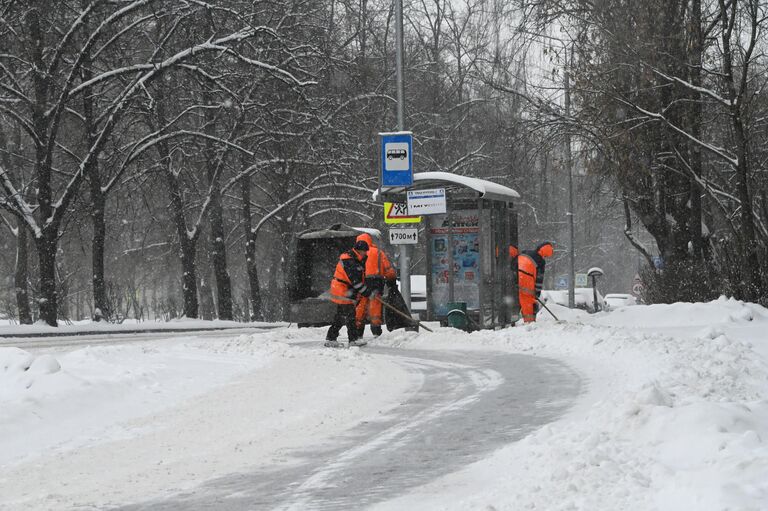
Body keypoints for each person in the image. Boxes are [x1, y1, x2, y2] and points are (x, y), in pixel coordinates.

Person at [326, 239, 372, 347]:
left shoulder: (353, 259)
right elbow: (355, 281)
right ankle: (353, 339)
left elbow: (358, 280)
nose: (366, 253)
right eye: (365, 251)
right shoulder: (350, 261)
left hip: (343, 289)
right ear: (360, 250)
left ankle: (331, 338)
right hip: (342, 290)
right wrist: (366, 292)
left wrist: (364, 291)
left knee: (341, 316)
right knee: (351, 315)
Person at [354, 233, 397, 337]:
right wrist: (391, 280)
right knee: (375, 306)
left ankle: (358, 330)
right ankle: (376, 330)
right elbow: (388, 269)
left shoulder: (356, 253)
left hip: (361, 283)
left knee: (361, 307)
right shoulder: (378, 253)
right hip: (376, 283)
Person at [515, 242, 554, 323]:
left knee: (514, 298)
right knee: (528, 300)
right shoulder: (540, 261)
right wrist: (537, 293)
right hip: (526, 279)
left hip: (515, 273)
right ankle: (530, 322)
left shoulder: (526, 252)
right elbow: (539, 279)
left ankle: (511, 319)